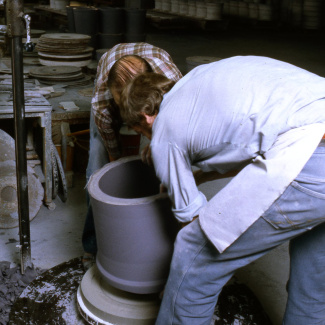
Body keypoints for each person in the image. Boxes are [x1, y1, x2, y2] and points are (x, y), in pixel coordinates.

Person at [119, 55, 325, 324]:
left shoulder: (164, 134)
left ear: (145, 118)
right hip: (312, 125)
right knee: (314, 265)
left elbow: (191, 217)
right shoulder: (197, 83)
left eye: (140, 131)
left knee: (193, 251)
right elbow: (251, 148)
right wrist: (199, 176)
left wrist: (178, 280)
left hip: (311, 152)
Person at [82, 43, 182, 269]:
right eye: (121, 103)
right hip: (111, 92)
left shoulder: (172, 86)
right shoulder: (102, 103)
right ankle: (92, 244)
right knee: (97, 168)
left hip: (156, 97)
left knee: (157, 161)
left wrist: (156, 148)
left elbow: (178, 129)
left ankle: (158, 236)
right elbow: (113, 155)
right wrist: (116, 175)